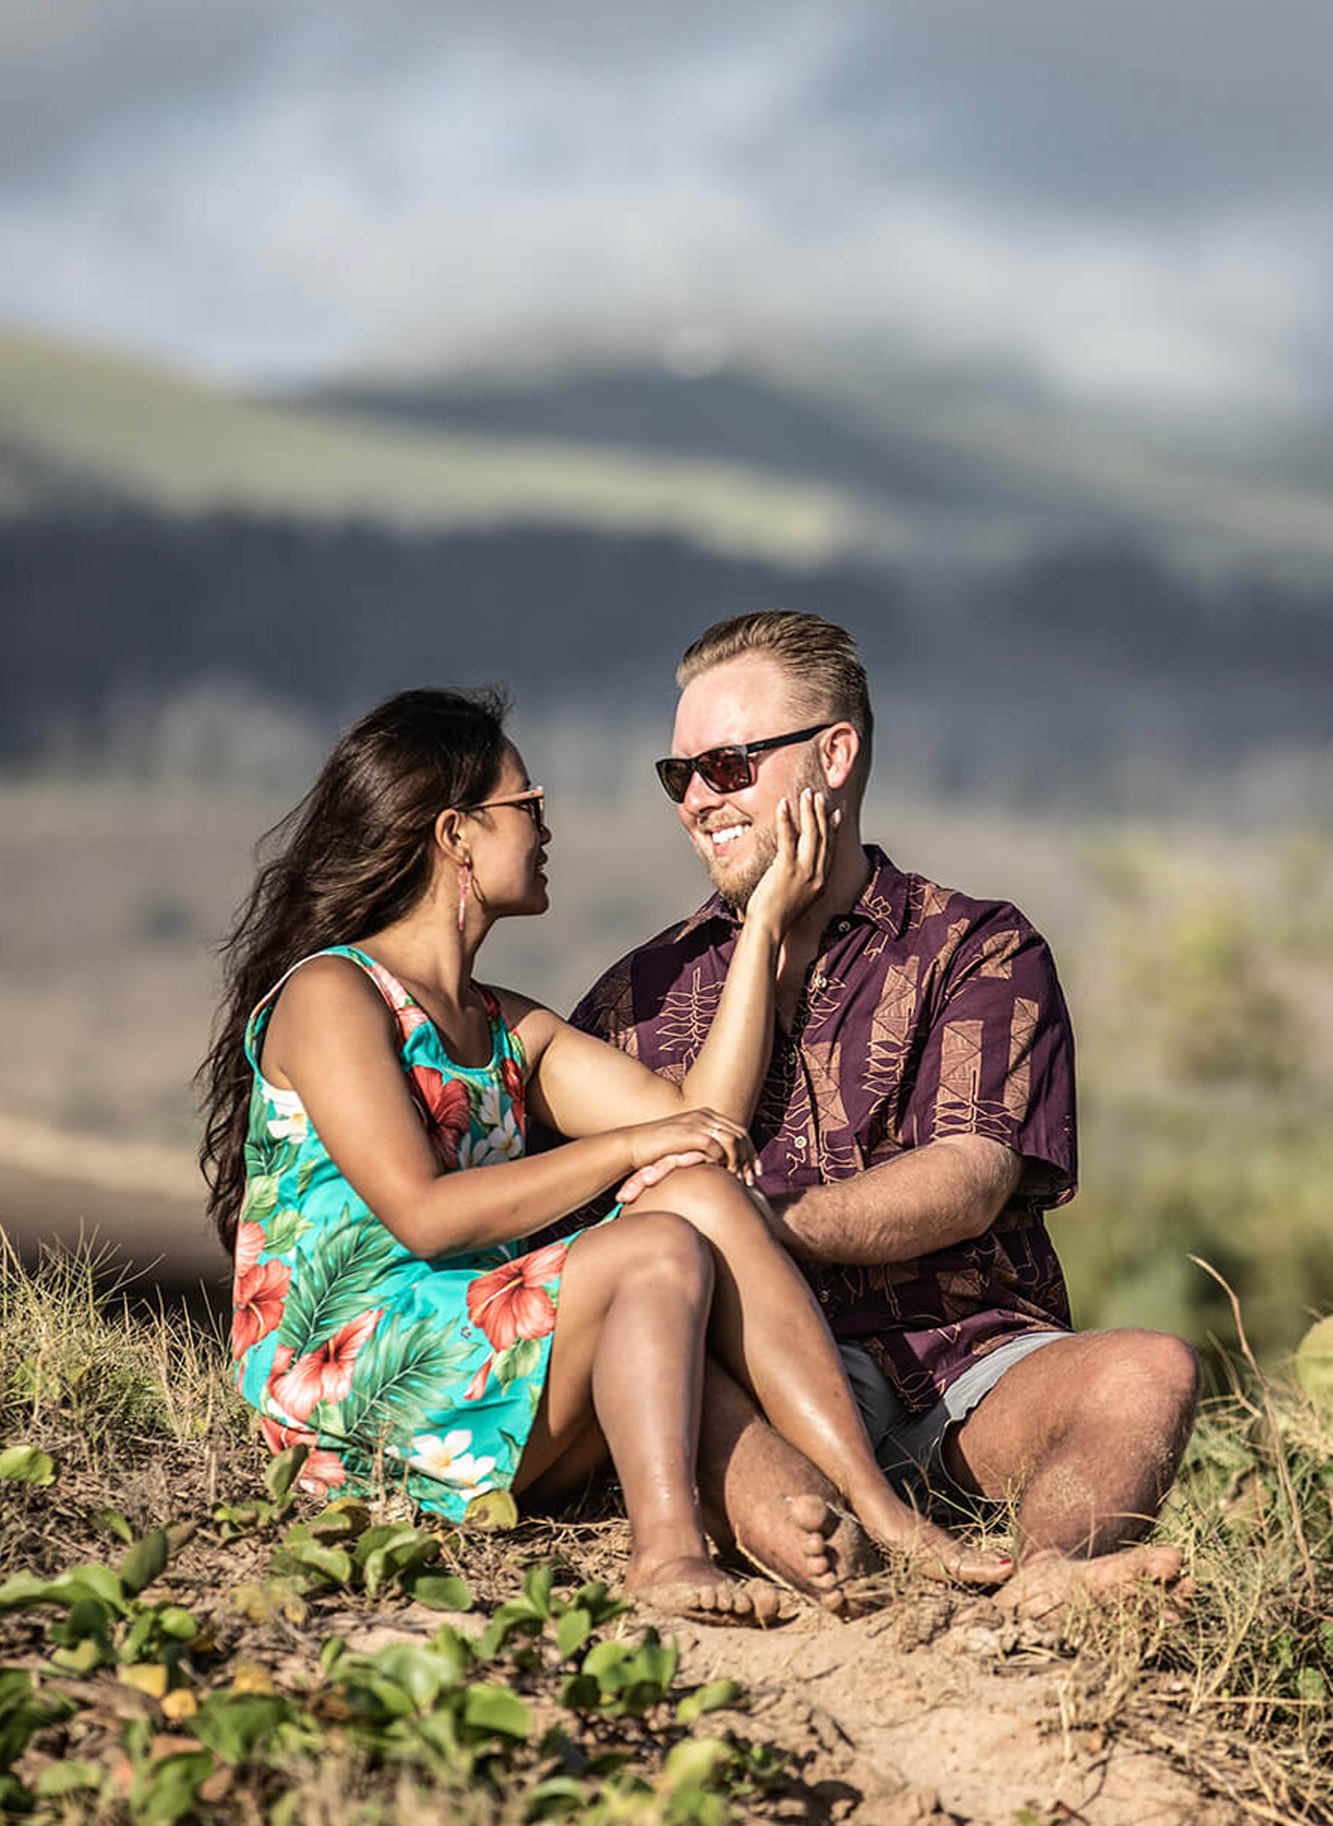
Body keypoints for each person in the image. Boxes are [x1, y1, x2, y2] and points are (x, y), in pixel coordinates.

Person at [198, 686, 1009, 1621]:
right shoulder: (334, 995)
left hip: (481, 1353)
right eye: (526, 807)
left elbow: (699, 1122)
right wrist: (632, 1145)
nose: (547, 827)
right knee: (656, 1244)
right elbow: (423, 1215)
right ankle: (664, 1550)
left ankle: (875, 1505)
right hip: (352, 1383)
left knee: (696, 1195)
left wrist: (765, 933)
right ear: (455, 835)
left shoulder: (509, 1027)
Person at [570, 612, 1200, 1618]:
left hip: (967, 1370)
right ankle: (808, 1532)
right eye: (675, 774)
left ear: (834, 754)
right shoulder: (632, 997)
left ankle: (1043, 1589)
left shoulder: (978, 949)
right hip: (750, 1379)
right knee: (667, 1367)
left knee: (1149, 1369)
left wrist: (750, 1225)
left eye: (726, 765)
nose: (695, 799)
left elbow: (969, 1178)